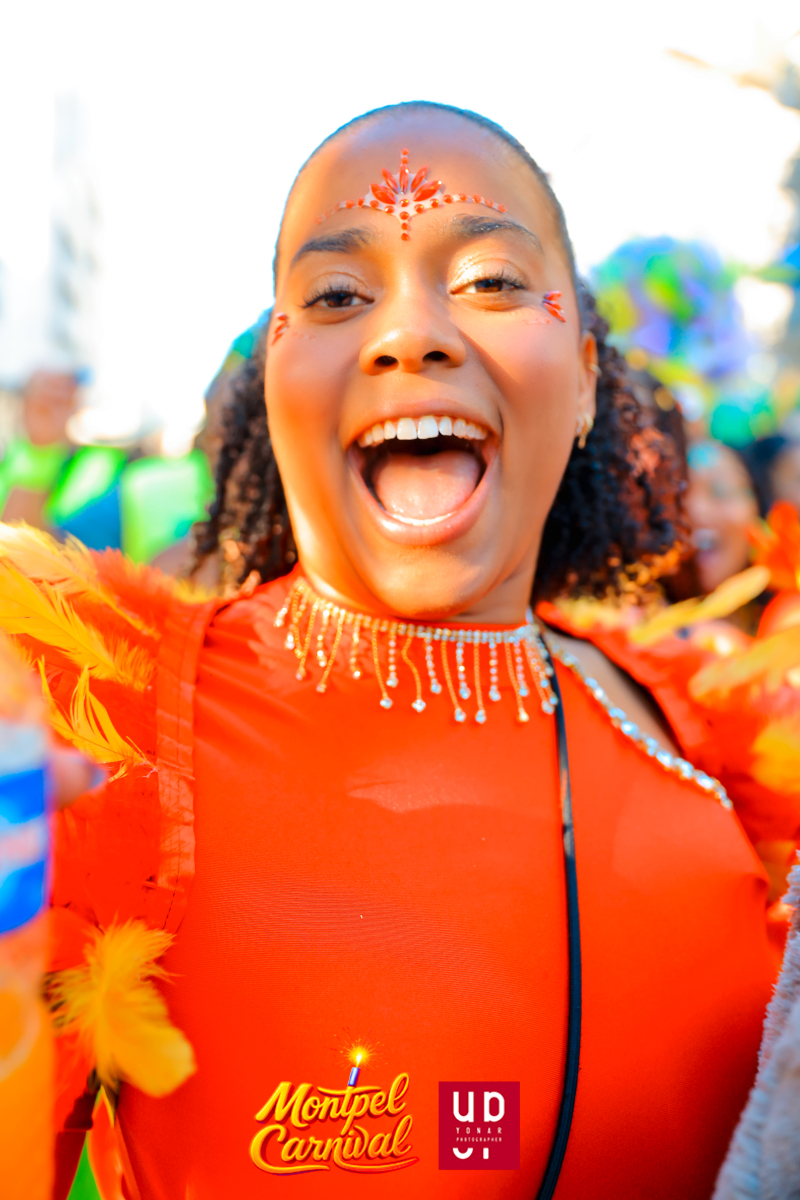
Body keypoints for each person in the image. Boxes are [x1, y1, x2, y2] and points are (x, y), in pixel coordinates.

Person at [1, 101, 796, 1200]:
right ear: (274, 384)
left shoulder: (716, 747)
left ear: (580, 380)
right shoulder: (101, 742)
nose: (409, 334)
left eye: (491, 281)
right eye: (336, 295)